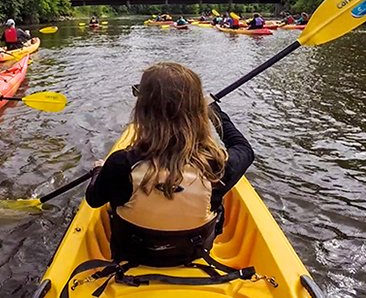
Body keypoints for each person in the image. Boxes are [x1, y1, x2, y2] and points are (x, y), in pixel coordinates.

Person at [86, 63, 254, 268]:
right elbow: (244, 148)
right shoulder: (216, 167)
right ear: (197, 113)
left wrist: (98, 170)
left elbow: (94, 199)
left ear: (142, 111)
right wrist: (214, 111)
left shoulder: (121, 164)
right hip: (193, 255)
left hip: (133, 256)